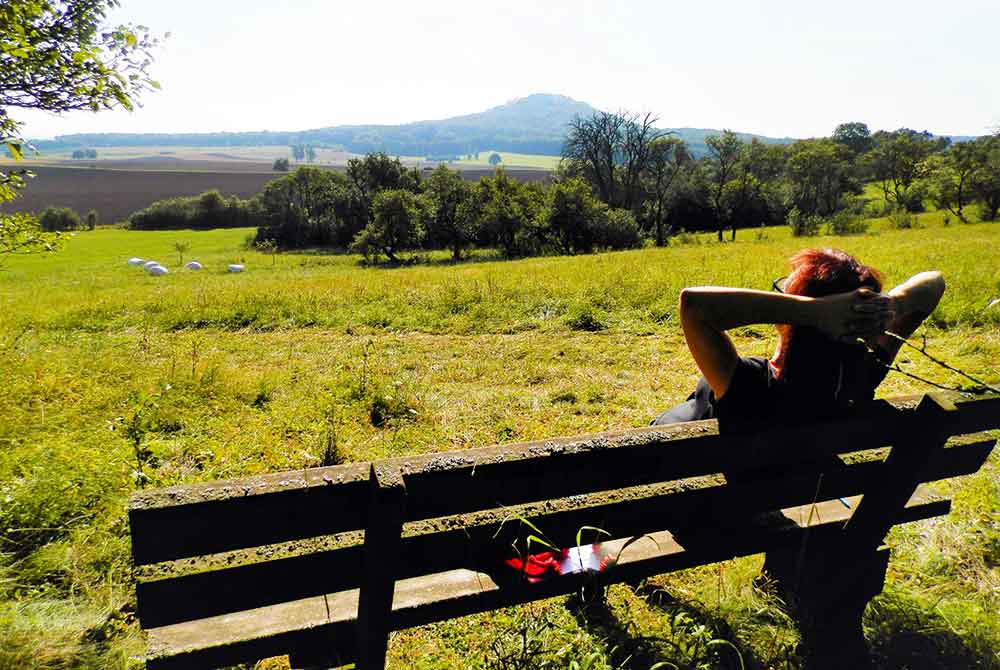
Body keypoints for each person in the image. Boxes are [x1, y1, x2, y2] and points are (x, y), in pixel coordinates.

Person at [652, 248, 945, 431]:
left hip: (701, 502)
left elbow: (693, 305)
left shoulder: (749, 383)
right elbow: (934, 282)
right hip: (773, 491)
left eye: (785, 293)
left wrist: (811, 310)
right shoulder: (859, 375)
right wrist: (893, 303)